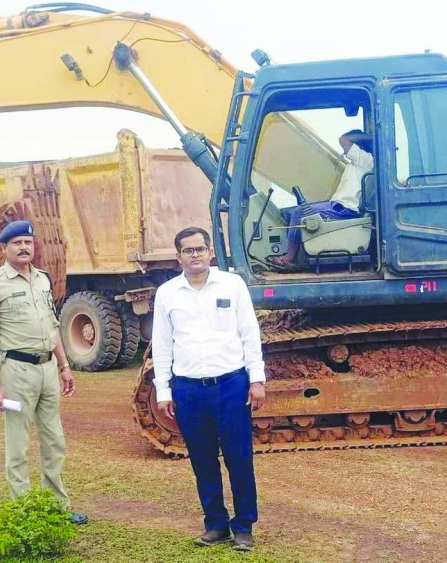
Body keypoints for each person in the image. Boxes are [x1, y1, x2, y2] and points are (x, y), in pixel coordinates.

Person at [151, 226, 266, 552]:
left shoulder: (232, 284)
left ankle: (243, 526)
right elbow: (162, 345)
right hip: (188, 390)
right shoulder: (168, 294)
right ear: (178, 257)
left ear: (211, 252)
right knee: (202, 460)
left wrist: (256, 379)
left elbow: (249, 333)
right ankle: (215, 524)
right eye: (188, 250)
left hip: (231, 385)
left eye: (200, 249)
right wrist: (163, 391)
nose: (195, 255)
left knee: (239, 457)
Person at [0, 220, 87, 525]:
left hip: (47, 368)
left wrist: (64, 366)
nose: (24, 248)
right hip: (17, 370)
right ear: (4, 248)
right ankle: (24, 513)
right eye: (17, 243)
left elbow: (52, 327)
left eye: (28, 242)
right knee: (18, 446)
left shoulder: (42, 280)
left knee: (54, 441)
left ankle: (56, 507)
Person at [270, 129, 373, 266]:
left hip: (344, 210)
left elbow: (343, 139)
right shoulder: (357, 164)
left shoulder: (365, 159)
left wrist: (369, 137)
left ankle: (289, 257)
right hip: (337, 206)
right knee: (287, 213)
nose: (345, 152)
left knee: (298, 212)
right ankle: (297, 253)